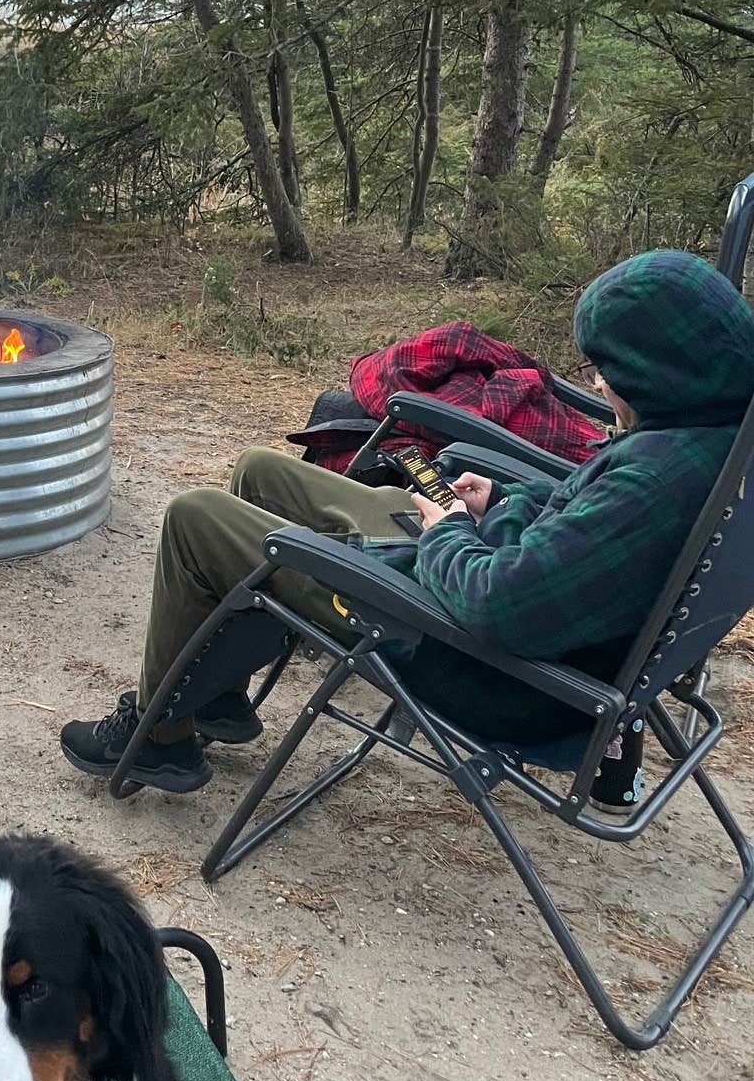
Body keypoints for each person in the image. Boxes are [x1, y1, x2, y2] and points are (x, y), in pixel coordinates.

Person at [61, 249, 754, 798]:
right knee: (259, 471)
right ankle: (217, 698)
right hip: (482, 588)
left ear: (657, 369)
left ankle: (157, 737)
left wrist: (448, 527)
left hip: (472, 657)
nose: (597, 385)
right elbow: (575, 527)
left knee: (195, 518)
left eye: (606, 369)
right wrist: (498, 504)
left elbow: (501, 605)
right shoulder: (706, 436)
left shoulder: (658, 478)